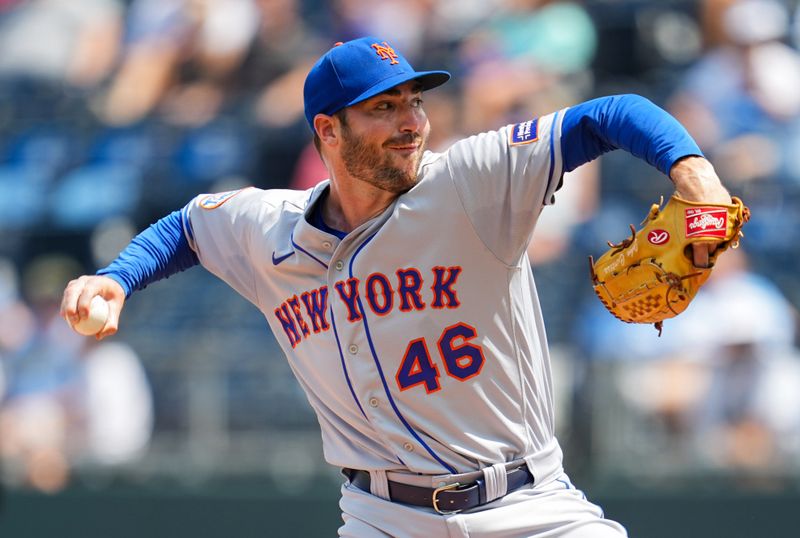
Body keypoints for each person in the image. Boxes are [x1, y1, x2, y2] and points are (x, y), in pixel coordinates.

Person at [61, 36, 733, 537]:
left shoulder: (472, 181)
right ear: (328, 129)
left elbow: (608, 113)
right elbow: (187, 227)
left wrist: (696, 178)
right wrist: (116, 279)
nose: (413, 121)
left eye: (415, 100)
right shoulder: (267, 227)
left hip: (530, 508)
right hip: (383, 517)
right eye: (385, 107)